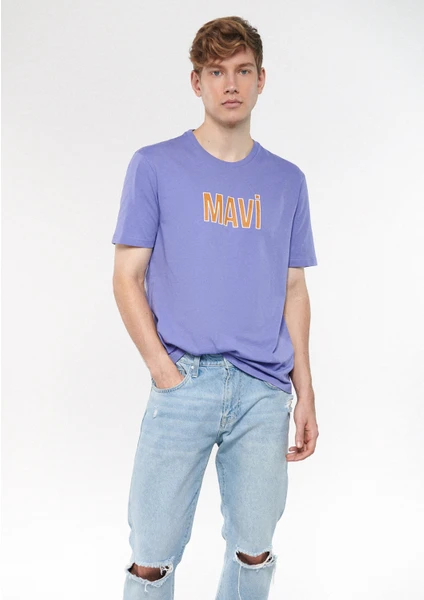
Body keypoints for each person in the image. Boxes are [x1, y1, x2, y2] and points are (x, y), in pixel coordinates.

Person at [111, 15, 319, 600]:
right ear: (196, 82)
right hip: (184, 380)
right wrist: (163, 371)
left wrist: (305, 390)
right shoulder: (155, 165)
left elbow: (294, 289)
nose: (231, 84)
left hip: (263, 391)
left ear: (261, 80)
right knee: (151, 557)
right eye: (216, 71)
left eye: (243, 71)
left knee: (254, 551)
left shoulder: (287, 181)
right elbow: (126, 277)